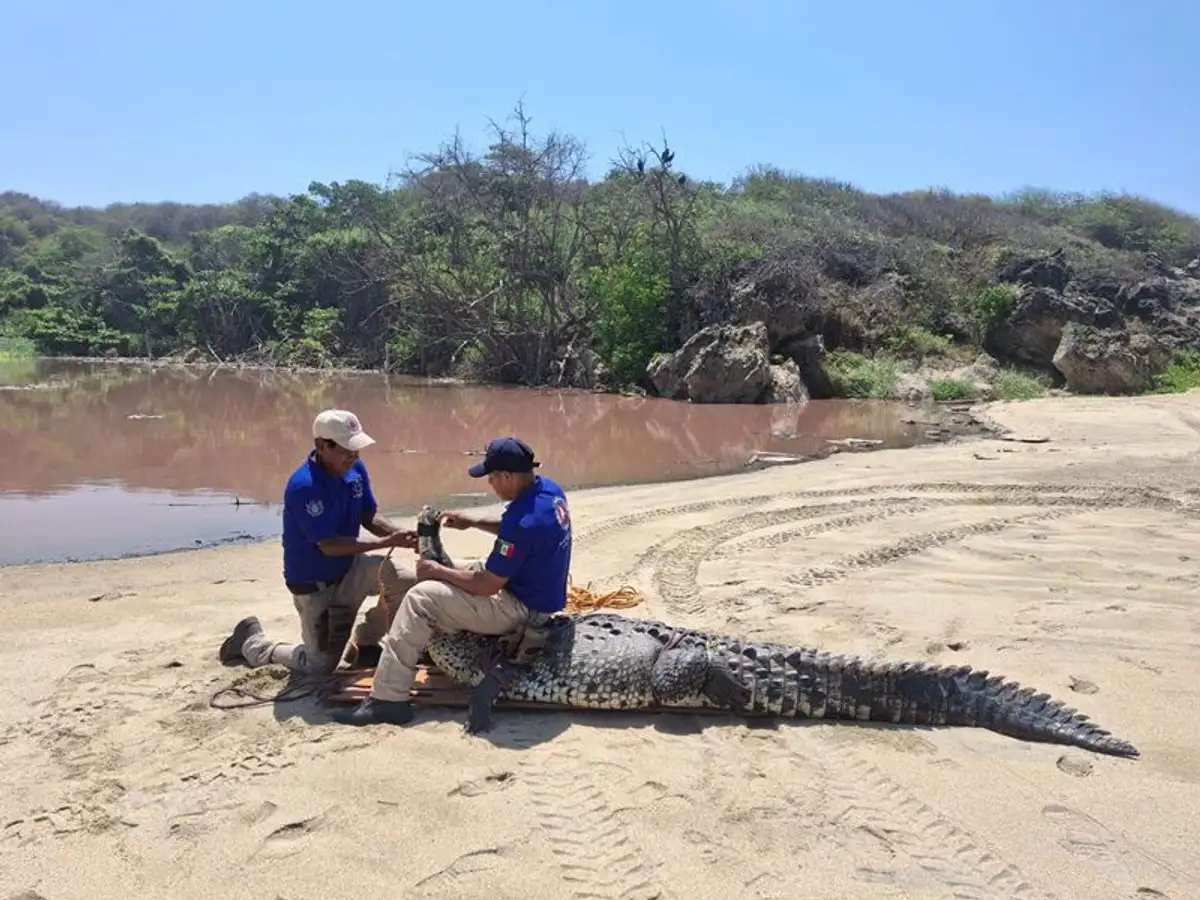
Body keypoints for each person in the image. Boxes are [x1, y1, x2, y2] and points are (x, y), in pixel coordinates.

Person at [332, 435, 572, 726]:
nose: (489, 483)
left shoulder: (525, 521)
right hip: (532, 585)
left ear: (507, 476)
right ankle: (416, 645)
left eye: (492, 477)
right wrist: (472, 522)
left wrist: (437, 572)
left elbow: (487, 585)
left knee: (421, 598)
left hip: (521, 607)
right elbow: (519, 533)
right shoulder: (548, 490)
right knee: (447, 568)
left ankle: (387, 700)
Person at [218, 409, 420, 675]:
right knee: (319, 665)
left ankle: (366, 641)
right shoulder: (305, 487)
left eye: (356, 449)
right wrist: (386, 542)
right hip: (315, 586)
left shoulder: (355, 469)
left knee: (411, 587)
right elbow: (330, 545)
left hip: (350, 568)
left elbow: (368, 515)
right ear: (321, 446)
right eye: (347, 450)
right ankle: (253, 642)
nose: (354, 456)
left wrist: (402, 533)